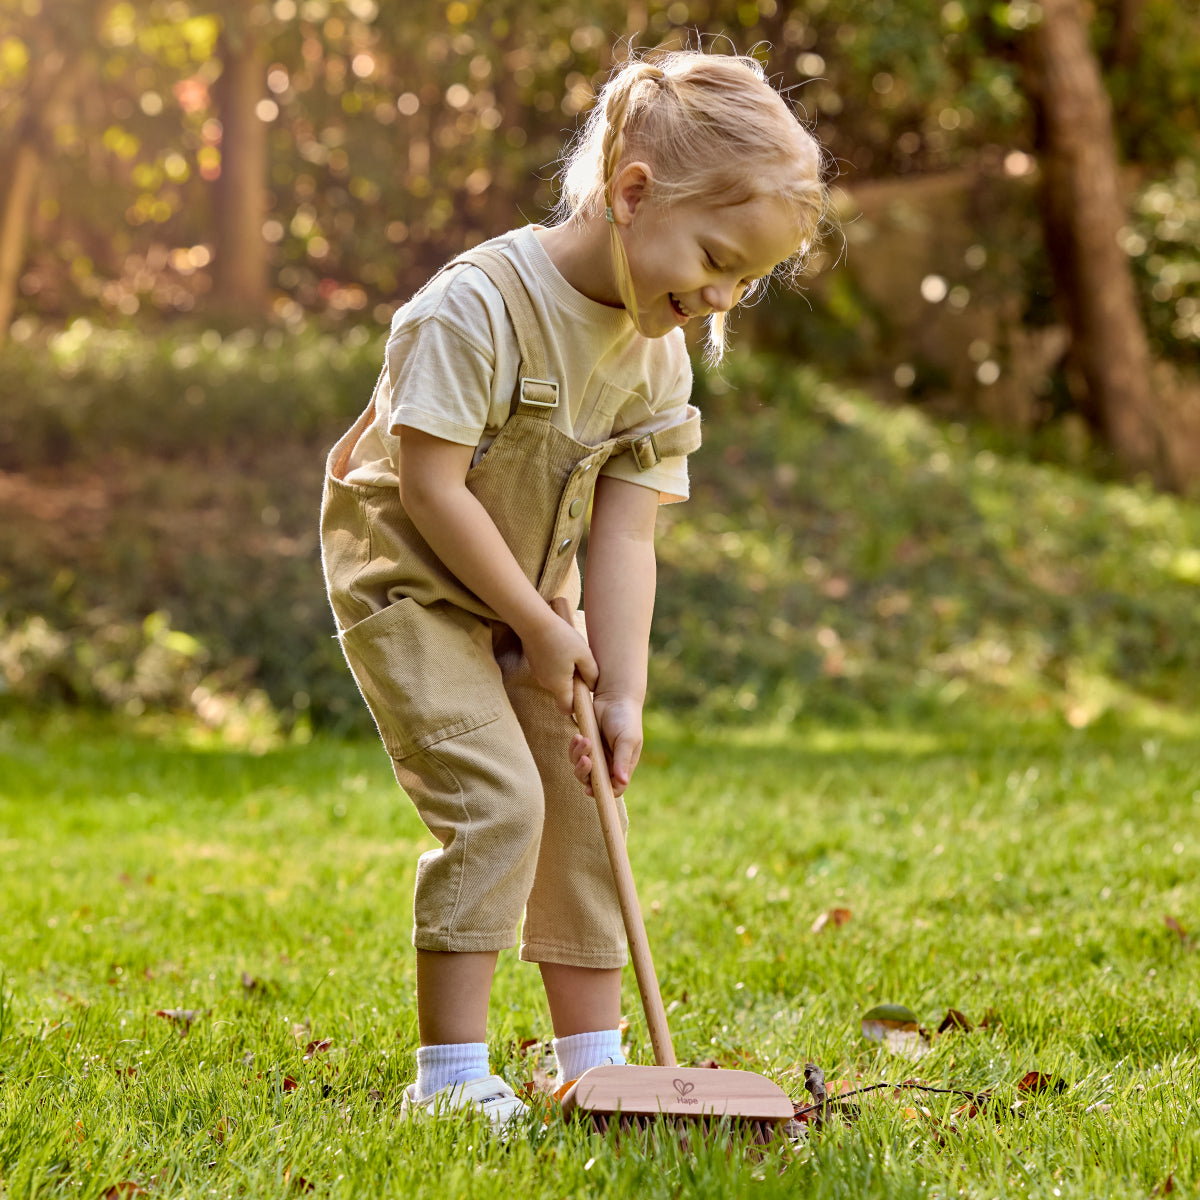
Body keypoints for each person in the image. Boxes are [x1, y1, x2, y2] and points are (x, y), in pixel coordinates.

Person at [320, 48, 828, 1128]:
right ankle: (451, 1083)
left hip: (535, 597)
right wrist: (536, 631)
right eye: (717, 258)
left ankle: (591, 1066)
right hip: (411, 583)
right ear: (633, 191)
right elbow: (429, 486)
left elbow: (626, 536)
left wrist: (620, 691)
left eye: (748, 281)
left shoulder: (657, 355)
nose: (722, 295)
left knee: (587, 805)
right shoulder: (473, 310)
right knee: (499, 801)